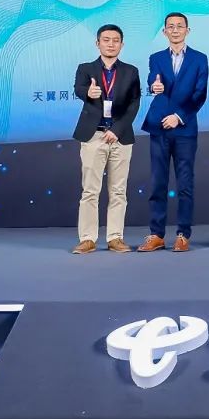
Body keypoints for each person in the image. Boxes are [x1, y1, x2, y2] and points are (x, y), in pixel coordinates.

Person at [138, 13, 209, 252]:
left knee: (185, 184)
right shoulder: (156, 58)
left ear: (188, 30)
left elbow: (200, 94)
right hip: (159, 127)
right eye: (171, 26)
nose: (175, 30)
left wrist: (178, 117)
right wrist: (154, 86)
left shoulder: (200, 59)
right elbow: (152, 80)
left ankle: (183, 234)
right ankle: (156, 234)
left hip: (184, 128)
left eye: (180, 26)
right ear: (164, 31)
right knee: (157, 182)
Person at [70, 24, 141, 254]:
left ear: (122, 44)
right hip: (93, 136)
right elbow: (79, 88)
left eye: (115, 40)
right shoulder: (86, 69)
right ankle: (87, 238)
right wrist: (88, 93)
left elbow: (134, 104)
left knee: (118, 191)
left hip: (120, 137)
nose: (111, 44)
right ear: (97, 43)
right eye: (106, 40)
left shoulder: (131, 71)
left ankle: (115, 238)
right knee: (90, 191)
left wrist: (117, 130)